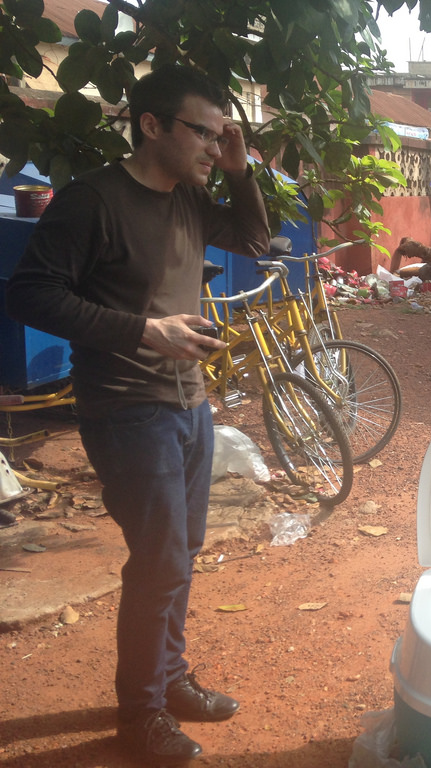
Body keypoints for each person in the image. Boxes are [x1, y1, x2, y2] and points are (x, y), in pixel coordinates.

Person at [5, 65, 270, 765]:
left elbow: (254, 242)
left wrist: (241, 172)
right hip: (126, 408)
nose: (214, 147)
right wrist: (144, 330)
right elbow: (30, 297)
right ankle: (141, 715)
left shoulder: (190, 197)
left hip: (189, 403)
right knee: (158, 562)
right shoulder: (92, 201)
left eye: (222, 136)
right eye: (204, 133)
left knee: (179, 556)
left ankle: (170, 678)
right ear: (151, 125)